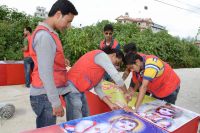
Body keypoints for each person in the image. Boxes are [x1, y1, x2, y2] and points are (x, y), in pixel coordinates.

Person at [29, 0, 78, 128]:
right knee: (46, 130)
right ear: (58, 14)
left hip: (45, 94)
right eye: (68, 21)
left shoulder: (49, 33)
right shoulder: (44, 36)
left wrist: (61, 60)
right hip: (44, 96)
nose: (68, 26)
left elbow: (49, 60)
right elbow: (45, 73)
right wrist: (55, 102)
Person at [65, 48, 130, 121]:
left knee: (85, 115)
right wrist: (126, 93)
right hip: (72, 86)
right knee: (76, 118)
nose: (115, 65)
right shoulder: (102, 55)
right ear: (113, 55)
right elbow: (116, 76)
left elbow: (98, 89)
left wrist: (111, 104)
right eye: (117, 62)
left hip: (79, 89)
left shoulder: (101, 69)